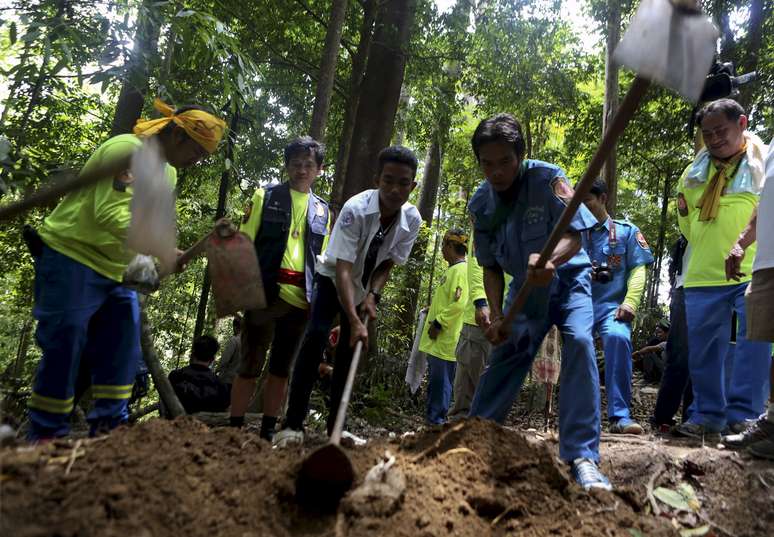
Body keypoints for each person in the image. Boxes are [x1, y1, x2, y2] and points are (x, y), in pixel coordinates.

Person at [26, 99, 225, 441]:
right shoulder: (127, 151)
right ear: (177, 136)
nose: (198, 160)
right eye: (198, 151)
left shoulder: (168, 171)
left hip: (115, 270)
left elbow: (146, 225)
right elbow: (110, 214)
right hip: (72, 256)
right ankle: (45, 437)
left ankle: (110, 433)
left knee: (123, 347)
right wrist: (159, 249)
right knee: (68, 340)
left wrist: (161, 254)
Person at [466, 113, 610, 491]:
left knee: (579, 342)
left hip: (570, 281)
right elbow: (491, 266)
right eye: (487, 163)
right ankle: (473, 444)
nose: (496, 172)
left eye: (505, 162)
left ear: (520, 156)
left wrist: (551, 259)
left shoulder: (547, 178)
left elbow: (576, 236)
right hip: (524, 293)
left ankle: (581, 456)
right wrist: (496, 314)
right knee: (507, 351)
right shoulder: (481, 205)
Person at [274, 146, 421, 447]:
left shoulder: (412, 219)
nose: (395, 189)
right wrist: (353, 320)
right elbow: (343, 268)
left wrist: (373, 296)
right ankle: (292, 424)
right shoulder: (356, 209)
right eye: (388, 180)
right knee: (315, 337)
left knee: (348, 354)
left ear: (413, 186)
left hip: (363, 286)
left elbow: (389, 262)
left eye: (403, 183)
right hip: (332, 279)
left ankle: (335, 431)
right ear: (377, 178)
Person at [674, 98, 771, 441]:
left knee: (754, 344)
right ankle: (707, 416)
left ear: (742, 123)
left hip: (754, 268)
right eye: (707, 134)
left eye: (721, 131)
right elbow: (684, 222)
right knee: (704, 351)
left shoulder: (764, 163)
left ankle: (745, 416)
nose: (714, 139)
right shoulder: (692, 173)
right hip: (703, 270)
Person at [229, 136, 330, 441]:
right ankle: (234, 427)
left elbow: (322, 260)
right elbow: (244, 241)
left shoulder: (324, 211)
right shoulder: (266, 196)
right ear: (287, 166)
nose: (302, 170)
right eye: (296, 164)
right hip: (264, 293)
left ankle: (268, 429)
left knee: (282, 368)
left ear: (319, 170)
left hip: (301, 300)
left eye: (308, 165)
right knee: (249, 363)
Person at [582, 178, 654, 434]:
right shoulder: (573, 232)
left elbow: (638, 269)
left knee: (617, 338)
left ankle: (620, 417)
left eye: (588, 201)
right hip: (578, 306)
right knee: (577, 347)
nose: (583, 208)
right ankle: (582, 416)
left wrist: (631, 301)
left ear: (603, 199)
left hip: (611, 306)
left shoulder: (626, 232)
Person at [722, 137, 774, 459]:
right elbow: (766, 202)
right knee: (769, 339)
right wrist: (741, 241)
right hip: (768, 262)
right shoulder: (771, 147)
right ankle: (772, 423)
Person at [419, 229, 469, 424]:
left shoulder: (461, 271)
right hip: (439, 340)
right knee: (437, 382)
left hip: (445, 339)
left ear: (450, 246)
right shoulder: (453, 270)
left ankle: (436, 423)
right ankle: (433, 421)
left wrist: (439, 323)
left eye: (442, 246)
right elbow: (449, 300)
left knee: (441, 384)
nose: (441, 251)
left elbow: (459, 303)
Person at [448, 234, 493, 420]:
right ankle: (459, 433)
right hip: (480, 321)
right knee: (467, 392)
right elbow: (476, 265)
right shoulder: (487, 214)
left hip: (507, 316)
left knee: (490, 387)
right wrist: (480, 302)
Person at [651, 236, 693, 430]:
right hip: (685, 286)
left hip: (717, 285)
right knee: (679, 354)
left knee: (703, 357)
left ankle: (693, 420)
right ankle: (663, 417)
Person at [168, 336, 230, 414]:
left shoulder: (175, 376)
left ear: (193, 354)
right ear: (213, 359)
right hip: (207, 425)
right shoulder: (220, 385)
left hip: (174, 424)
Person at [632, 319, 669, 384]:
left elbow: (648, 349)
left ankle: (647, 378)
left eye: (660, 332)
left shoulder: (666, 343)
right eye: (657, 333)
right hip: (666, 370)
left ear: (667, 333)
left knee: (648, 353)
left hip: (667, 372)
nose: (658, 334)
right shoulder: (658, 341)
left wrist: (637, 353)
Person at [215, 315, 242, 390]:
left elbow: (225, 359)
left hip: (228, 380)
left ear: (235, 327)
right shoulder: (248, 343)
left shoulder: (234, 340)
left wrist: (217, 370)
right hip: (240, 381)